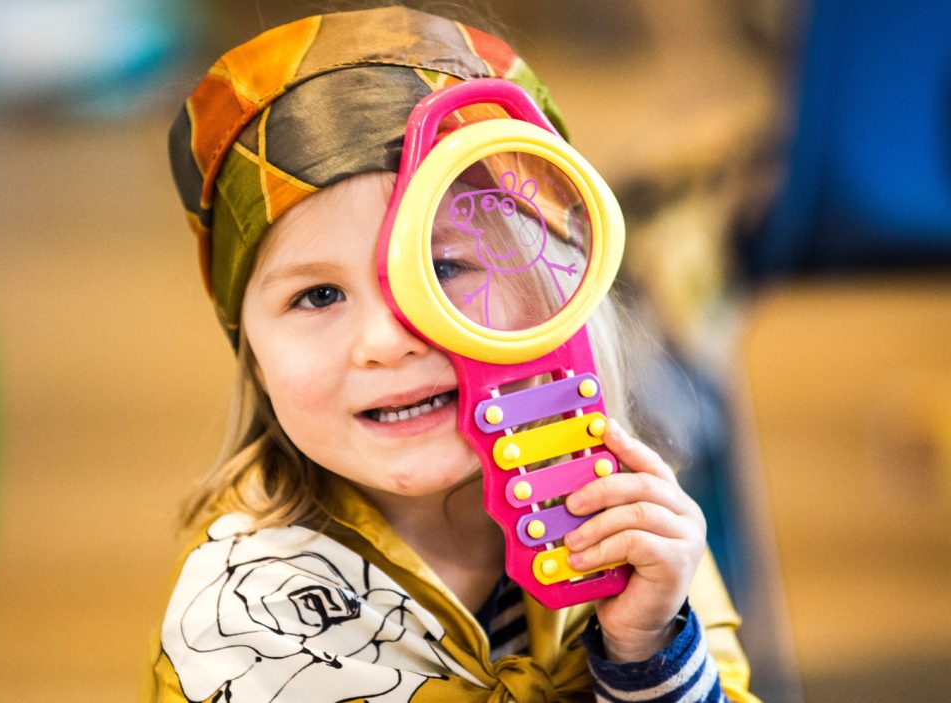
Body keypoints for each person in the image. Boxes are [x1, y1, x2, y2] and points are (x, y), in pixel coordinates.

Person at [144, 5, 759, 702]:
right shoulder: (245, 621)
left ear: (556, 293)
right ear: (252, 354)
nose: (387, 339)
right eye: (317, 296)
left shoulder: (624, 521)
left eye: (446, 268)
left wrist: (648, 652)